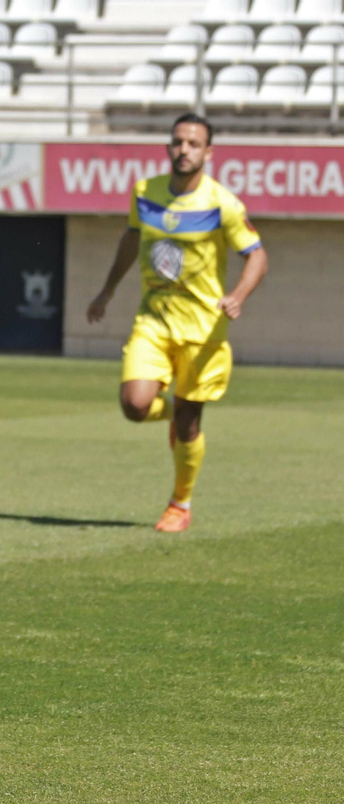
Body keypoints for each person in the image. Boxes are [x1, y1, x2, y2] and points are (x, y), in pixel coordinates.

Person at [86, 113, 269, 533]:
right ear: (169, 147)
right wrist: (107, 289)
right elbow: (132, 238)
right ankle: (170, 413)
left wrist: (238, 296)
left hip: (203, 329)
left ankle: (179, 504)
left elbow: (257, 255)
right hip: (153, 319)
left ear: (208, 152)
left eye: (193, 144)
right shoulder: (144, 192)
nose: (183, 150)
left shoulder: (222, 203)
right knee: (134, 405)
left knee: (190, 424)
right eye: (178, 142)